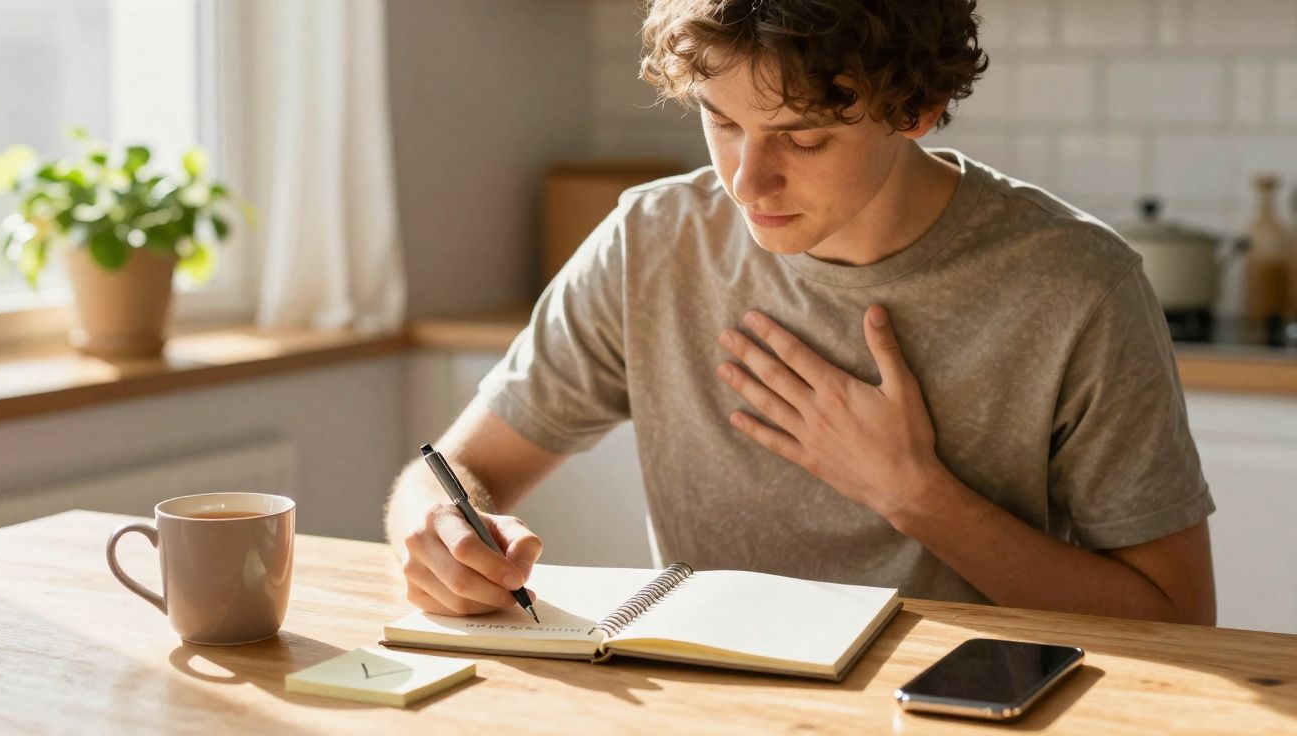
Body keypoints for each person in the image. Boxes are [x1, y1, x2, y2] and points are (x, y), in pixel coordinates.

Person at [386, 0, 1217, 625]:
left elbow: (1177, 620)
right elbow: (452, 469)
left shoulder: (1078, 284)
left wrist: (917, 495)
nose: (746, 182)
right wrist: (436, 531)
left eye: (804, 137)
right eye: (721, 120)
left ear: (915, 110)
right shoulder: (654, 240)